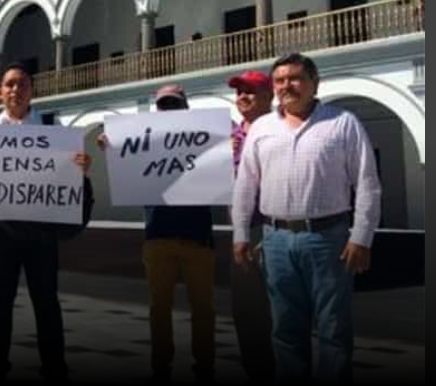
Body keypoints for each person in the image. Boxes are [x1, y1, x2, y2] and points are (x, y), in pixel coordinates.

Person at [233, 53, 382, 384]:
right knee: (285, 328)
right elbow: (246, 185)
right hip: (275, 240)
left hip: (328, 239)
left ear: (315, 83)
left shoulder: (343, 122)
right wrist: (241, 234)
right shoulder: (261, 128)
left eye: (295, 78)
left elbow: (368, 182)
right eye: (280, 80)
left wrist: (361, 237)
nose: (287, 85)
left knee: (334, 327)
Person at [0, 62, 92, 385]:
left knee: (46, 299)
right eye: (9, 84)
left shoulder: (51, 126)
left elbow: (67, 172)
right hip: (2, 228)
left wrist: (81, 167)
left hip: (42, 227)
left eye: (22, 84)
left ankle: (54, 364)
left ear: (32, 89)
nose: (16, 90)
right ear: (0, 91)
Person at [132, 85, 216, 385]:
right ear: (157, 109)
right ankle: (160, 365)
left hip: (197, 236)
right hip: (158, 235)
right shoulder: (145, 138)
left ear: (185, 106)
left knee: (204, 308)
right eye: (164, 104)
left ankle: (205, 365)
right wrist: (111, 145)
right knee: (159, 308)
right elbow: (126, 159)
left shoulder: (204, 137)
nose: (168, 109)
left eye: (174, 104)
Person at [227, 71, 276, 384]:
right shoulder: (224, 133)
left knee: (281, 308)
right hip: (242, 229)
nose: (243, 96)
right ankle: (256, 370)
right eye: (239, 91)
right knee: (246, 309)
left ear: (268, 95)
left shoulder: (279, 128)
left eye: (251, 91)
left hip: (274, 225)